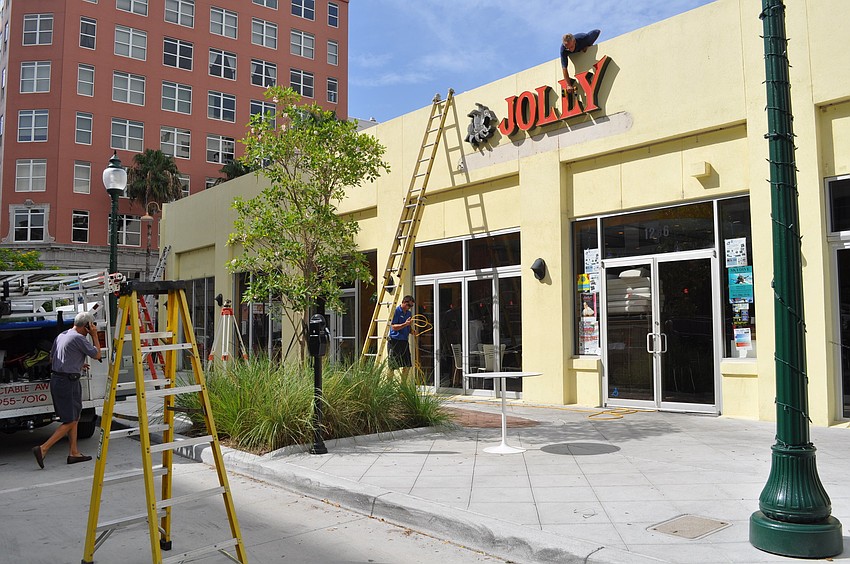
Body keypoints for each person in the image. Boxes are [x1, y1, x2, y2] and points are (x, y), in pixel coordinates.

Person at [32, 311, 102, 469]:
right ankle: (43, 448)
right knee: (70, 420)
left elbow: (53, 358)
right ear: (87, 326)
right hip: (67, 382)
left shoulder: (62, 335)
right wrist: (95, 335)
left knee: (75, 417)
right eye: (91, 326)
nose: (92, 328)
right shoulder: (79, 338)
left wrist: (76, 363)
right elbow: (97, 355)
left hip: (60, 379)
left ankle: (74, 452)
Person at [387, 295, 415, 381]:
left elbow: (408, 327)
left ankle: (403, 386)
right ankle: (389, 385)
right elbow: (393, 327)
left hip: (404, 341)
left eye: (411, 306)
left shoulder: (408, 313)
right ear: (403, 302)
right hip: (395, 341)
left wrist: (412, 331)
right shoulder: (396, 311)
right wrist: (405, 324)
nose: (409, 308)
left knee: (407, 365)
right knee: (392, 365)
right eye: (408, 305)